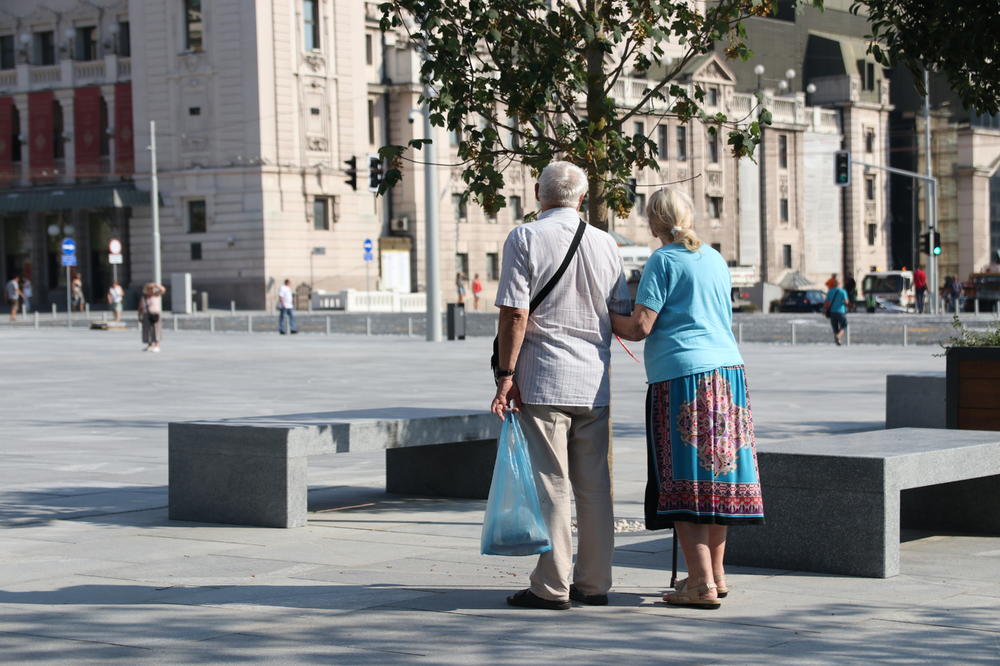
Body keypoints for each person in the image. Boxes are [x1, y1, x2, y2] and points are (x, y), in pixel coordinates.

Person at [611, 188, 764, 609]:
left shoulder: (663, 260)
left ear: (653, 223)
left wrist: (602, 316)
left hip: (682, 378)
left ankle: (697, 583)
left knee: (684, 480)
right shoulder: (714, 258)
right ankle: (715, 574)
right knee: (717, 478)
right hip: (729, 375)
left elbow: (640, 326)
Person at [491, 161, 631, 611]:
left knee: (552, 484)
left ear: (538, 192)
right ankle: (594, 583)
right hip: (594, 383)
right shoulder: (607, 243)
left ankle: (551, 586)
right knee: (595, 488)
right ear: (583, 198)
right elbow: (620, 312)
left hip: (544, 379)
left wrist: (505, 376)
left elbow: (515, 313)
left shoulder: (525, 237)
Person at [137, 282, 167, 352]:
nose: (150, 290)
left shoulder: (156, 294)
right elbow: (140, 307)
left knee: (156, 330)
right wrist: (139, 316)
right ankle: (150, 345)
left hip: (155, 314)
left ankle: (157, 345)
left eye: (151, 289)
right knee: (147, 330)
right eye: (148, 289)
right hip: (146, 314)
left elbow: (163, 290)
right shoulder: (144, 297)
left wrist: (156, 285)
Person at [824, 278, 849, 346]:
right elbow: (846, 302)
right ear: (839, 283)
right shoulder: (843, 291)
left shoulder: (830, 291)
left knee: (835, 327)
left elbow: (827, 302)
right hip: (841, 311)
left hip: (832, 312)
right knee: (844, 325)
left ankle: (838, 341)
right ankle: (838, 336)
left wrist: (825, 310)